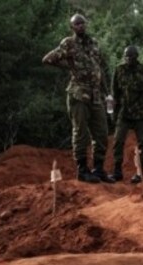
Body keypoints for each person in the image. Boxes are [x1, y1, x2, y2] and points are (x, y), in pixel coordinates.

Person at [42, 14, 114, 183]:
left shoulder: (94, 43)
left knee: (102, 134)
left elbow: (99, 69)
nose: (80, 26)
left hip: (96, 96)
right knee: (81, 134)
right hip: (78, 94)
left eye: (82, 23)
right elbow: (48, 59)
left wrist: (107, 93)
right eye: (77, 24)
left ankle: (98, 169)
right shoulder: (69, 43)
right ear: (72, 27)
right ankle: (82, 171)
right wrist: (69, 66)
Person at [111, 45, 143, 184]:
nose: (128, 59)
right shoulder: (119, 70)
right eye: (125, 56)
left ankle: (140, 173)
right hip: (124, 112)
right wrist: (113, 115)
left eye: (130, 56)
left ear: (136, 57)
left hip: (141, 113)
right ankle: (117, 172)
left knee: (142, 144)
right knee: (118, 141)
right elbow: (114, 94)